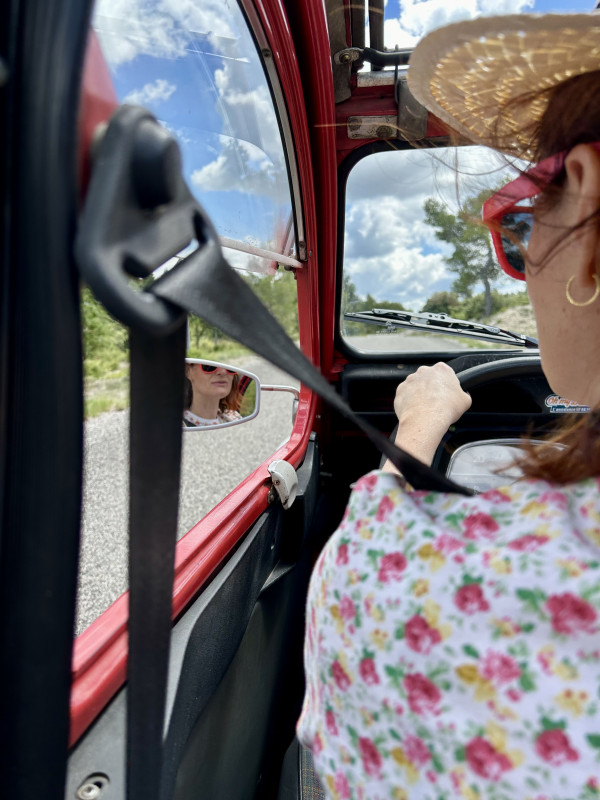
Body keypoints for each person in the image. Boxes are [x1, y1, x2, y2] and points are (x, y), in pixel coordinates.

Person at [297, 12, 600, 799]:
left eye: (521, 212)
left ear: (589, 193)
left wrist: (419, 425)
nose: (521, 259)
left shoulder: (436, 582)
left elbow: (370, 573)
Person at [183, 362, 243, 427]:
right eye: (210, 365)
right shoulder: (173, 425)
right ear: (188, 371)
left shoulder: (235, 419)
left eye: (229, 366)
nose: (223, 372)